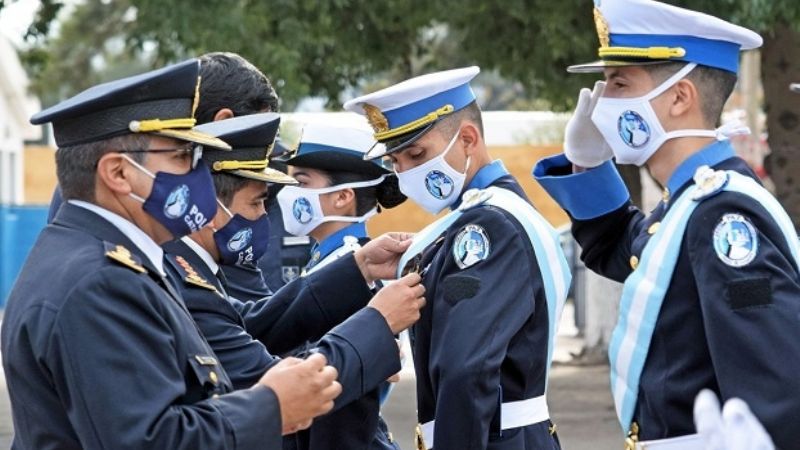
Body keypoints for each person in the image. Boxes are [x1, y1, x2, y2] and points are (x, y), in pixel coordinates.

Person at [1, 60, 342, 449]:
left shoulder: (96, 256)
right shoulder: (102, 281)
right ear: (118, 173)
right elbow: (152, 441)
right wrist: (270, 406)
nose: (201, 177)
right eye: (182, 157)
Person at [532, 0, 800, 448]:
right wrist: (586, 165)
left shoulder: (722, 217)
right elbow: (624, 252)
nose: (602, 104)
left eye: (618, 84)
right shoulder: (687, 203)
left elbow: (775, 388)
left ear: (680, 97)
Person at [344, 67, 572, 450]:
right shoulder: (473, 218)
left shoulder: (485, 227)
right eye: (396, 162)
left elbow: (466, 370)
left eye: (416, 154)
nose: (406, 173)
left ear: (467, 139)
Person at [44, 52, 314, 297]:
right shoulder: (177, 195)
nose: (259, 164)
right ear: (224, 122)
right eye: (180, 156)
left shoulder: (113, 178)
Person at [277, 122, 407, 449]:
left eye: (300, 182)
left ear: (342, 198)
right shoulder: (332, 262)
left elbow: (340, 409)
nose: (288, 191)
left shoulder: (351, 276)